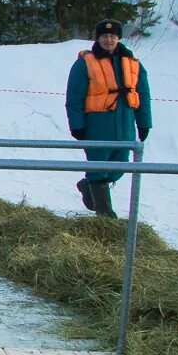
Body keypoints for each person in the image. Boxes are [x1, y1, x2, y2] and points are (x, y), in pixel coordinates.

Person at [65, 18, 152, 218]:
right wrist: (77, 125)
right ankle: (105, 213)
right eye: (104, 36)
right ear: (98, 38)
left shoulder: (133, 64)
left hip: (125, 125)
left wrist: (144, 123)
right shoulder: (84, 64)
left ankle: (88, 186)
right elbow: (74, 96)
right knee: (98, 165)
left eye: (112, 36)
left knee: (119, 165)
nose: (109, 40)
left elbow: (144, 96)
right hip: (97, 125)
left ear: (119, 38)